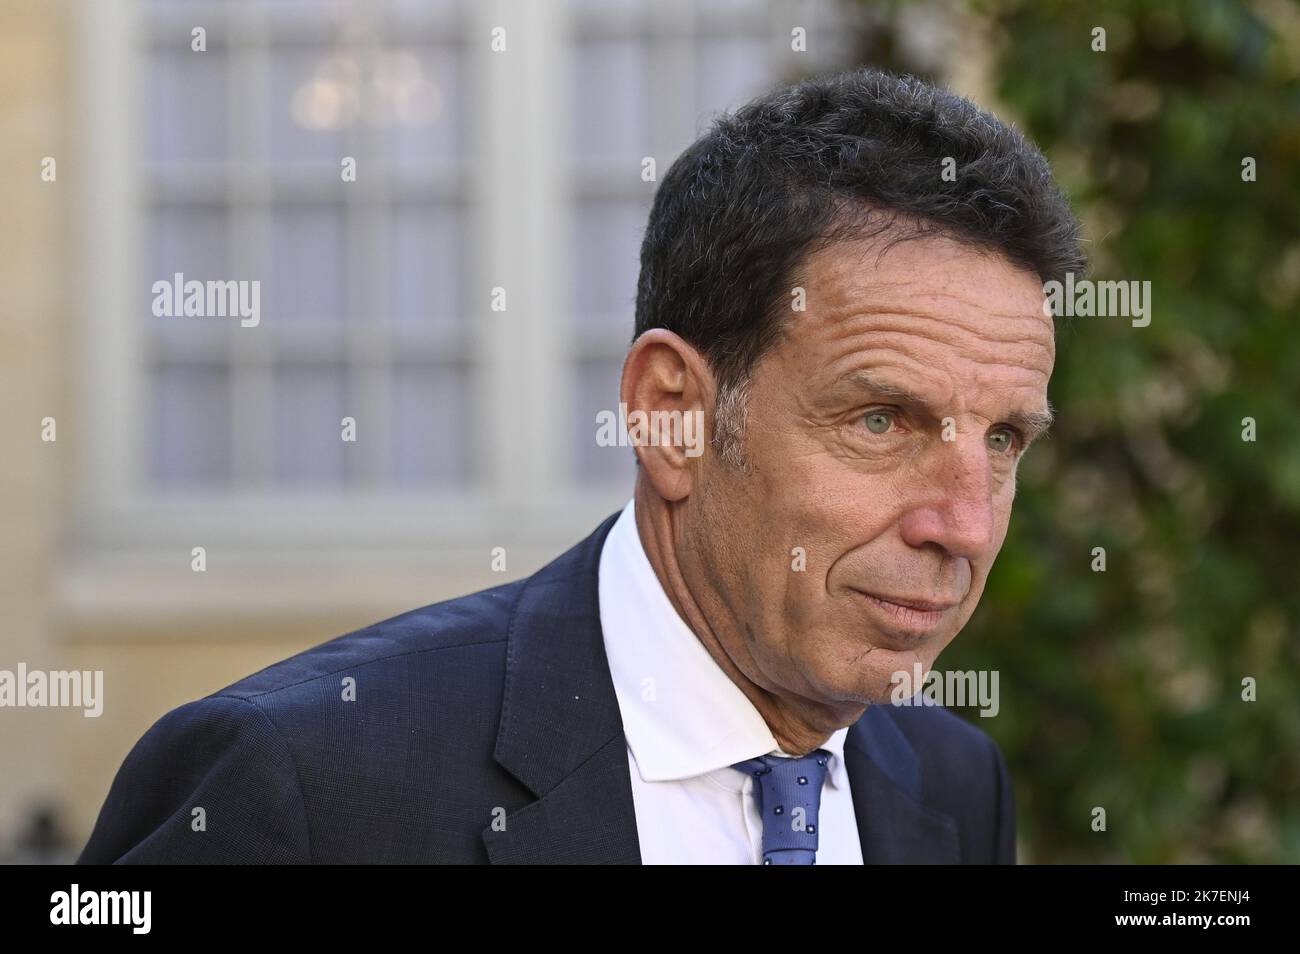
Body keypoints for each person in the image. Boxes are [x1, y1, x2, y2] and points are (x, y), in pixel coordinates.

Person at [79, 67, 1083, 864]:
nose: (963, 527)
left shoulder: (950, 786)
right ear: (670, 417)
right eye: (881, 422)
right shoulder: (299, 788)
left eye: (1001, 441)